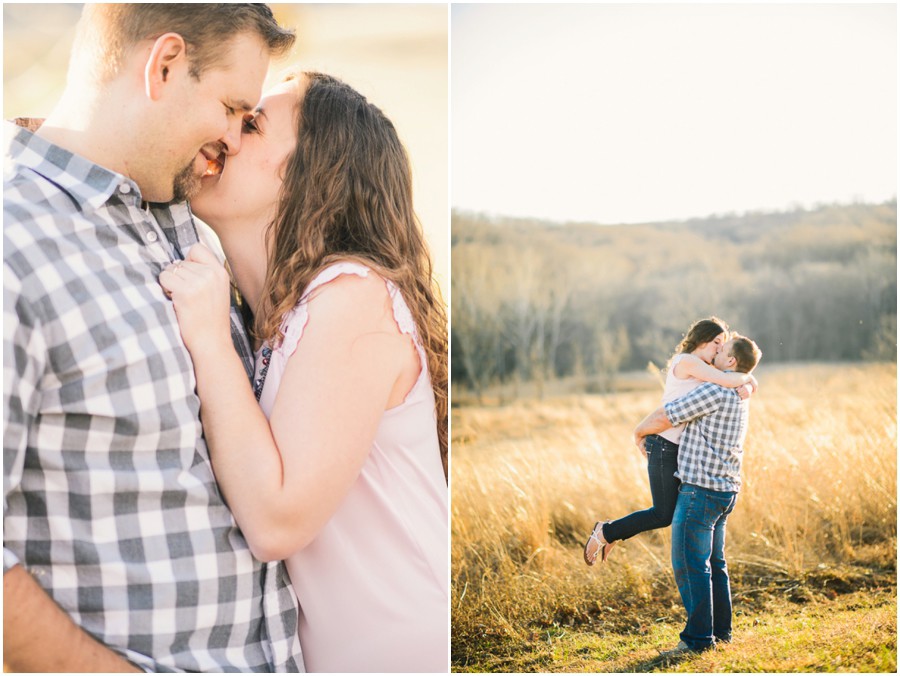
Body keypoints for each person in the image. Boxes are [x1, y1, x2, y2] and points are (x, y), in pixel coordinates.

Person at [3, 5, 302, 672]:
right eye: (231, 107)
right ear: (163, 65)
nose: (233, 136)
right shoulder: (12, 247)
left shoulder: (187, 220)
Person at [158, 71, 449, 672]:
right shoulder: (278, 316)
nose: (226, 132)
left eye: (253, 122)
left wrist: (209, 342)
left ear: (315, 174)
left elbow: (276, 520)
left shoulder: (351, 295)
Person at [584, 318, 757, 565]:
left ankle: (611, 534)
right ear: (701, 339)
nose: (720, 349)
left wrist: (750, 382)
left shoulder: (708, 369)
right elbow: (734, 377)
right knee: (663, 513)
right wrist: (748, 382)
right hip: (663, 443)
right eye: (717, 342)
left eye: (723, 345)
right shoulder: (688, 362)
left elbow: (737, 373)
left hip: (676, 448)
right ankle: (605, 532)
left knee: (670, 513)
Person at [633, 334, 762, 656]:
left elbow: (668, 415)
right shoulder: (738, 393)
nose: (717, 353)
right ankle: (721, 633)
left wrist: (638, 432)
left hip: (700, 492)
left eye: (723, 351)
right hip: (725, 490)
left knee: (691, 565)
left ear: (731, 362)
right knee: (714, 564)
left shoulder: (715, 389)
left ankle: (697, 641)